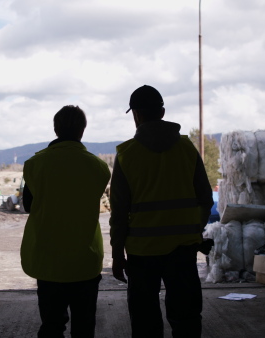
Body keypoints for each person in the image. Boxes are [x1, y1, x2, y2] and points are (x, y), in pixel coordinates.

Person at [109, 85, 214, 338]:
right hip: (183, 249)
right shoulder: (187, 149)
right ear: (163, 111)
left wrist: (116, 254)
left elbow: (119, 213)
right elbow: (206, 198)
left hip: (141, 252)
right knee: (186, 318)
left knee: (145, 322)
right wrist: (193, 232)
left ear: (136, 115)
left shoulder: (126, 155)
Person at [20, 105, 111, 338]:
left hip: (48, 260)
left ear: (55, 128)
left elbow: (29, 206)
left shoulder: (34, 164)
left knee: (51, 326)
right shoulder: (99, 167)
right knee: (84, 326)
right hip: (85, 260)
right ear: (83, 130)